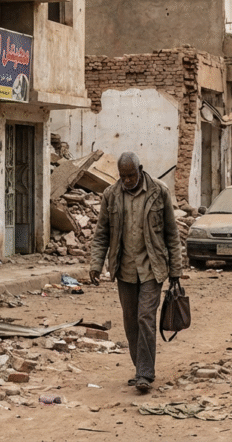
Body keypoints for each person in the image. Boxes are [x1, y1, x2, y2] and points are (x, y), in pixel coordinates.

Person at [89, 152, 183, 393]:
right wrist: (95, 265)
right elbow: (101, 234)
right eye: (123, 176)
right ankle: (139, 366)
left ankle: (145, 374)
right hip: (125, 270)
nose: (128, 180)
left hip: (153, 268)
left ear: (140, 169)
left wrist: (176, 270)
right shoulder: (111, 195)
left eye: (131, 175)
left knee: (145, 318)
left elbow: (172, 233)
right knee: (131, 322)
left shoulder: (159, 191)